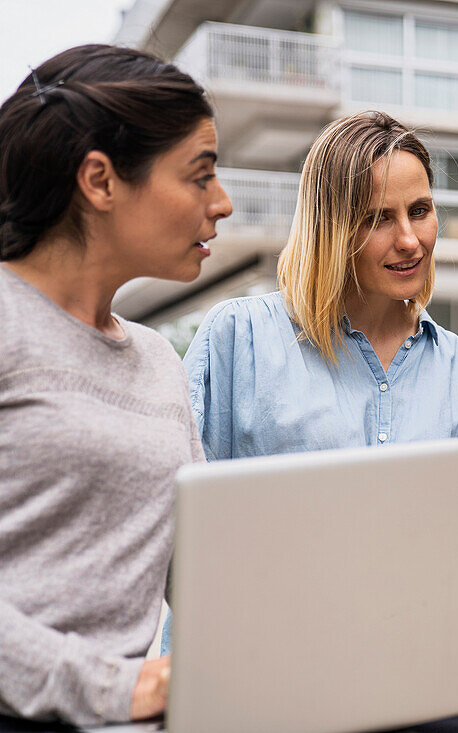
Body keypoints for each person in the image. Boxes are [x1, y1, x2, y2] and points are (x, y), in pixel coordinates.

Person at [182, 111, 458, 733]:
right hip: (259, 671)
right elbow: (186, 537)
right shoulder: (238, 338)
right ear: (330, 229)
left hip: (413, 670)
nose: (410, 238)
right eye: (377, 219)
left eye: (419, 210)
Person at [0, 45, 232, 726]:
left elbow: (203, 569)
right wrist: (116, 688)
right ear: (100, 180)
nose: (221, 203)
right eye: (199, 176)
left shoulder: (160, 359)